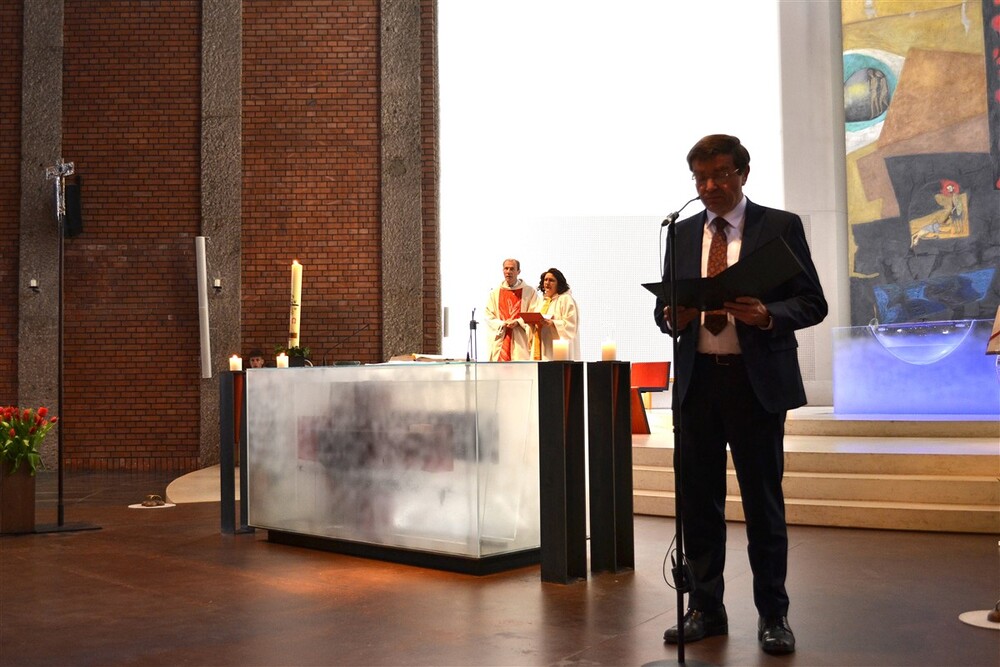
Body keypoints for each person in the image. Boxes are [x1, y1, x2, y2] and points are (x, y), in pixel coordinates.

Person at [654, 134, 827, 655]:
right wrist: (673, 316)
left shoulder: (779, 226)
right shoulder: (682, 232)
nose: (710, 186)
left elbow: (812, 302)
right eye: (701, 178)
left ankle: (774, 615)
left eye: (720, 175)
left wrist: (768, 315)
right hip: (698, 384)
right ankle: (706, 608)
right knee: (699, 505)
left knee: (763, 504)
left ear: (743, 174)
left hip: (755, 385)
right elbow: (665, 312)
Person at [485, 258, 537, 361]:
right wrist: (502, 323)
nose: (508, 272)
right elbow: (489, 316)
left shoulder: (529, 292)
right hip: (501, 339)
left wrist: (518, 322)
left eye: (512, 269)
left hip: (521, 341)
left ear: (518, 271)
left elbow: (534, 314)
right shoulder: (495, 293)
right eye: (506, 268)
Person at [531, 268, 580, 360]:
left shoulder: (565, 299)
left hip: (557, 348)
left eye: (551, 280)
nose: (547, 283)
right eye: (545, 280)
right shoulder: (541, 301)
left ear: (559, 283)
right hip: (542, 343)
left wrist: (553, 323)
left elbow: (571, 324)